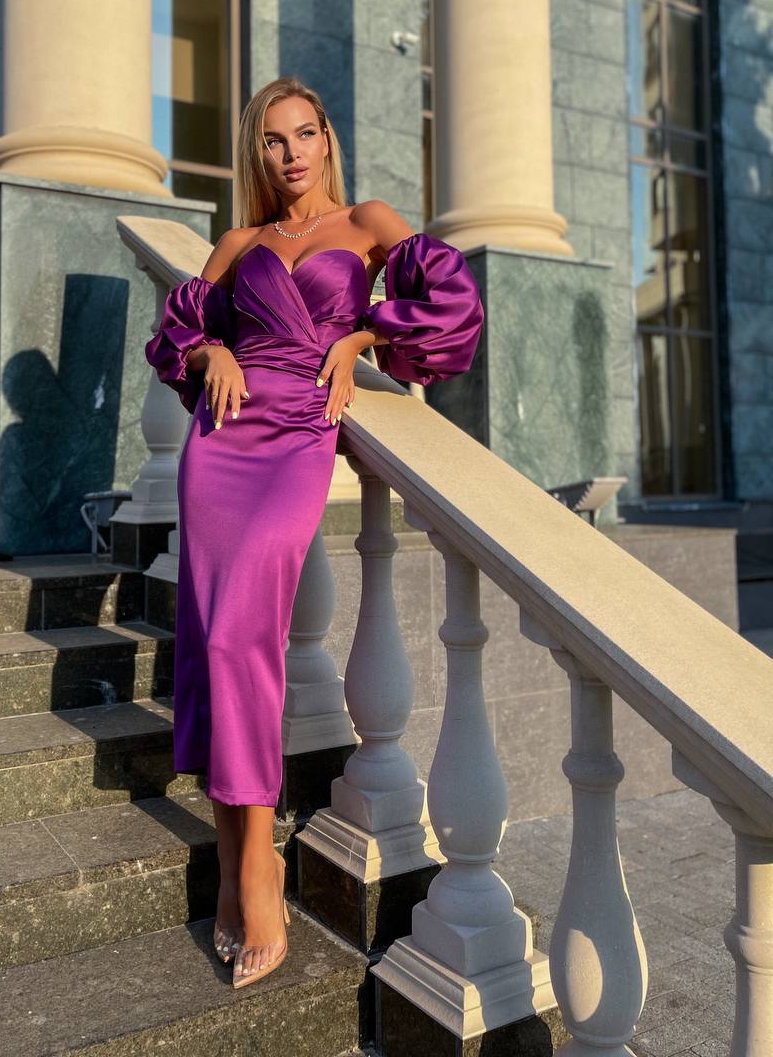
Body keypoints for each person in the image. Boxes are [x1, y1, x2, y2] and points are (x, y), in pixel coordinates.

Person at [143, 76, 484, 989]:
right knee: (216, 640)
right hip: (221, 443)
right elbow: (174, 335)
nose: (289, 152)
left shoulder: (369, 222)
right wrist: (211, 348)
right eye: (272, 139)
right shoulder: (239, 243)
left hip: (298, 438)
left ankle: (253, 863)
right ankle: (245, 861)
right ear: (257, 152)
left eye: (303, 134)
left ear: (327, 139)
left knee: (242, 637)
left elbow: (453, 305)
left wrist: (365, 336)